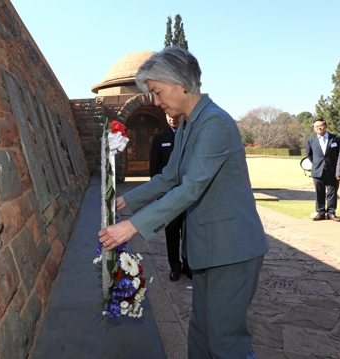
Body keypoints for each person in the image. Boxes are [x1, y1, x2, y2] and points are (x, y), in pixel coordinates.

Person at [98, 46, 269, 359]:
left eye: (158, 92)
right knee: (201, 334)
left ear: (180, 84)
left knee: (225, 343)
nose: (158, 102)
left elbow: (190, 188)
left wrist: (132, 227)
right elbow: (168, 177)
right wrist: (124, 201)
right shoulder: (189, 124)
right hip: (209, 247)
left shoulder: (214, 122)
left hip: (232, 249)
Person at [149, 113, 191, 281]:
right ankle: (175, 267)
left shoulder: (190, 135)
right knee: (172, 233)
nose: (172, 119)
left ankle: (189, 266)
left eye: (175, 116)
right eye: (169, 116)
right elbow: (154, 168)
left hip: (188, 193)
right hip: (170, 195)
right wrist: (159, 194)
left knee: (188, 233)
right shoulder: (160, 138)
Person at [305, 119, 340, 221]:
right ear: (313, 128)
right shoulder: (311, 140)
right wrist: (319, 164)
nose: (319, 128)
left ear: (326, 126)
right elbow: (309, 155)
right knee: (319, 193)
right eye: (316, 126)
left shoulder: (336, 138)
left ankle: (331, 213)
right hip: (318, 171)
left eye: (321, 126)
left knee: (332, 193)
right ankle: (320, 213)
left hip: (332, 171)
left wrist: (339, 169)